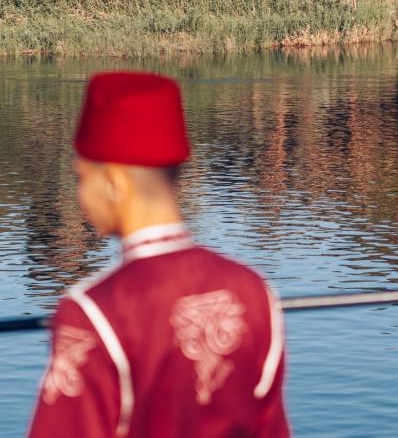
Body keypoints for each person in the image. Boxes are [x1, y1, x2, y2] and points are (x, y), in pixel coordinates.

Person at [27, 70, 291, 437]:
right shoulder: (255, 291)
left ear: (114, 184)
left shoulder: (91, 311)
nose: (79, 195)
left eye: (80, 178)